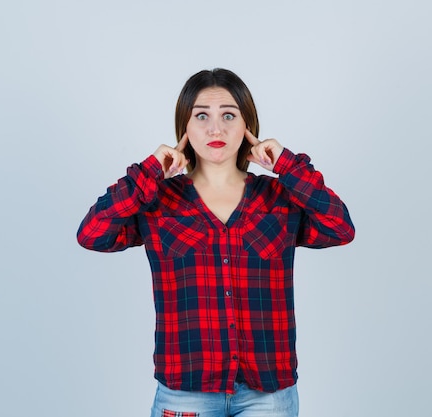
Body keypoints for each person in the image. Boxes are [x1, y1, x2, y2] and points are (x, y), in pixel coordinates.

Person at [77, 68, 355, 417]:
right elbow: (92, 233)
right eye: (202, 116)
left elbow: (340, 227)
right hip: (185, 392)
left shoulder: (279, 199)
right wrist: (149, 172)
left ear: (247, 126)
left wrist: (286, 164)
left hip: (268, 394)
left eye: (229, 115)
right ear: (185, 129)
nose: (216, 129)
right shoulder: (159, 202)